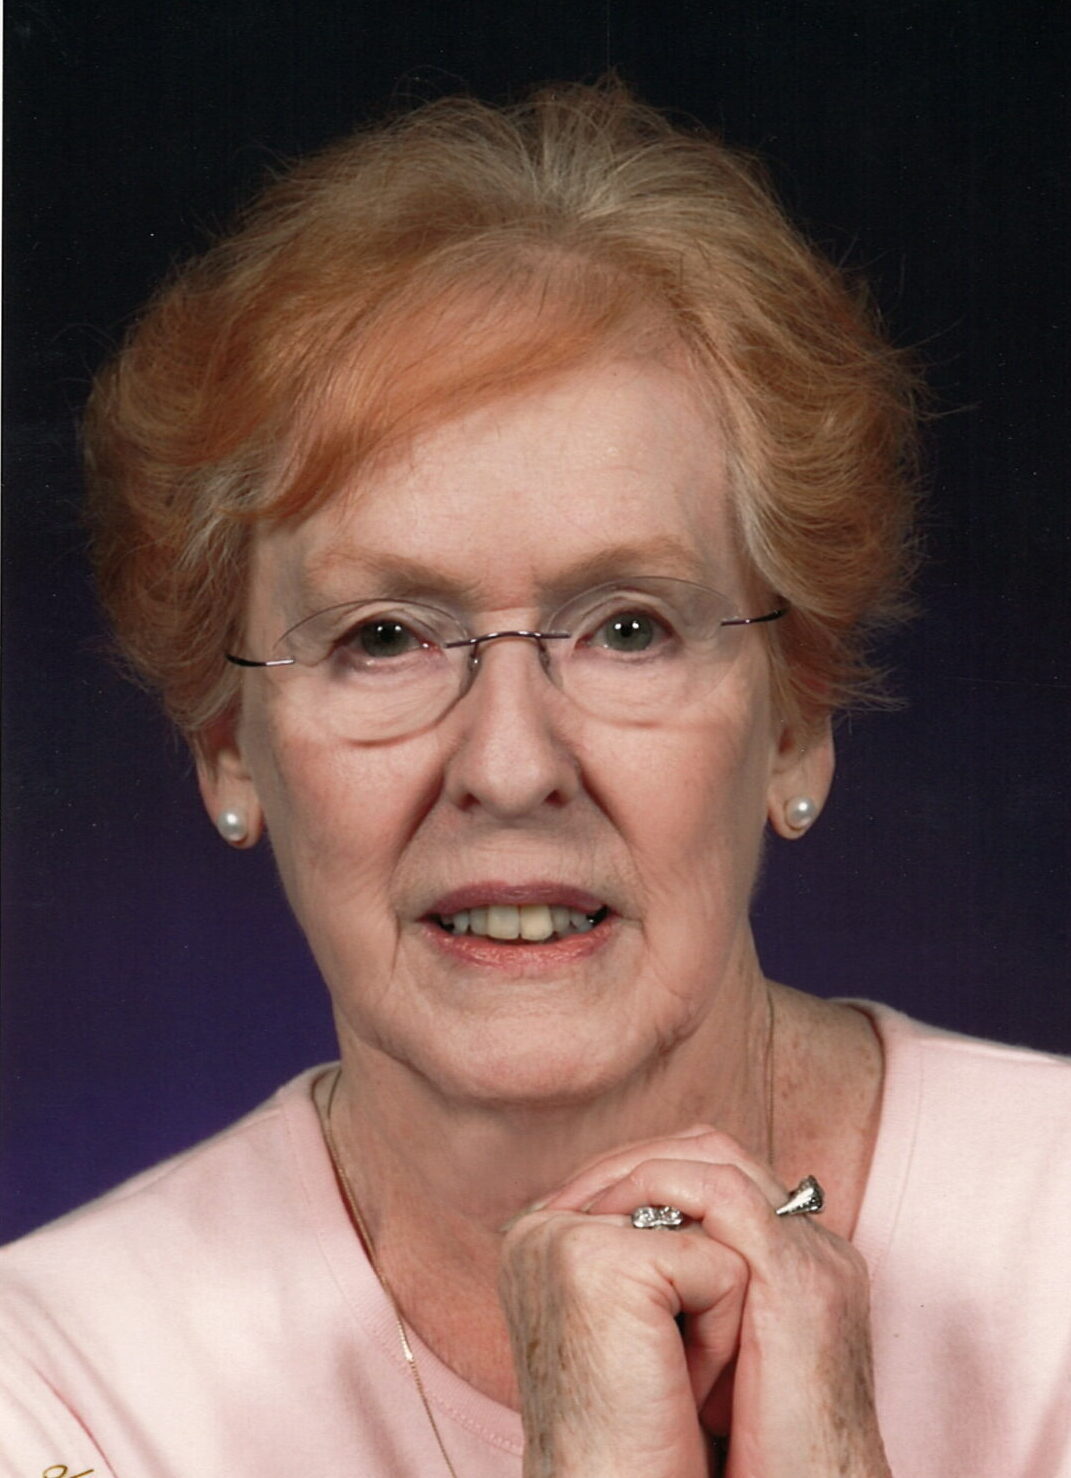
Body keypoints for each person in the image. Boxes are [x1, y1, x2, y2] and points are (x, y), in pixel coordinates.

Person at [1, 81, 1067, 1478]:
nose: (509, 767)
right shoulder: (56, 1389)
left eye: (628, 627)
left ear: (795, 718)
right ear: (226, 743)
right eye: (384, 637)